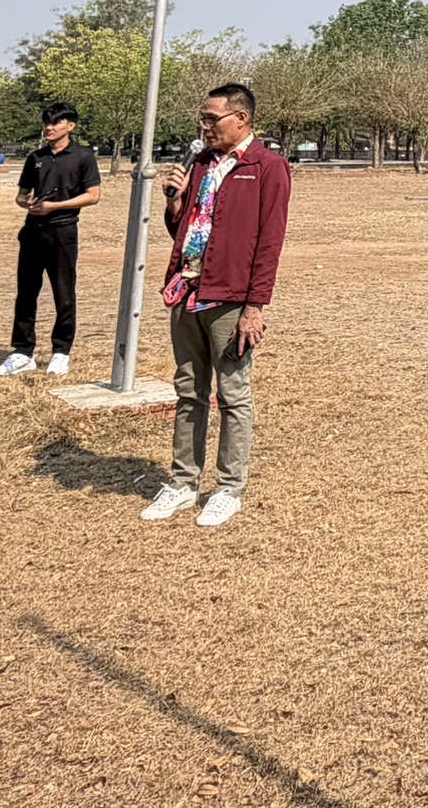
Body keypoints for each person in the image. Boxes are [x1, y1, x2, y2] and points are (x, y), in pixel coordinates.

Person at [141, 83, 290, 529]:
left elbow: (270, 242)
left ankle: (228, 488)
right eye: (202, 120)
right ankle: (183, 482)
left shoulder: (268, 167)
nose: (204, 127)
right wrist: (174, 201)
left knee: (233, 394)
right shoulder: (202, 163)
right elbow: (186, 232)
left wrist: (254, 306)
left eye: (212, 119)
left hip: (231, 298)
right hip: (187, 289)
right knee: (189, 389)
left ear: (241, 118)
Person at [0, 101, 103, 378]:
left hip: (63, 231)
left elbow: (93, 196)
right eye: (46, 123)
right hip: (33, 231)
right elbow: (21, 195)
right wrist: (27, 203)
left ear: (70, 126)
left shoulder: (83, 156)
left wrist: (55, 206)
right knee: (26, 293)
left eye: (55, 123)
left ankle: (61, 352)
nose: (49, 128)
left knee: (63, 293)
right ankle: (22, 352)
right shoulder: (36, 157)